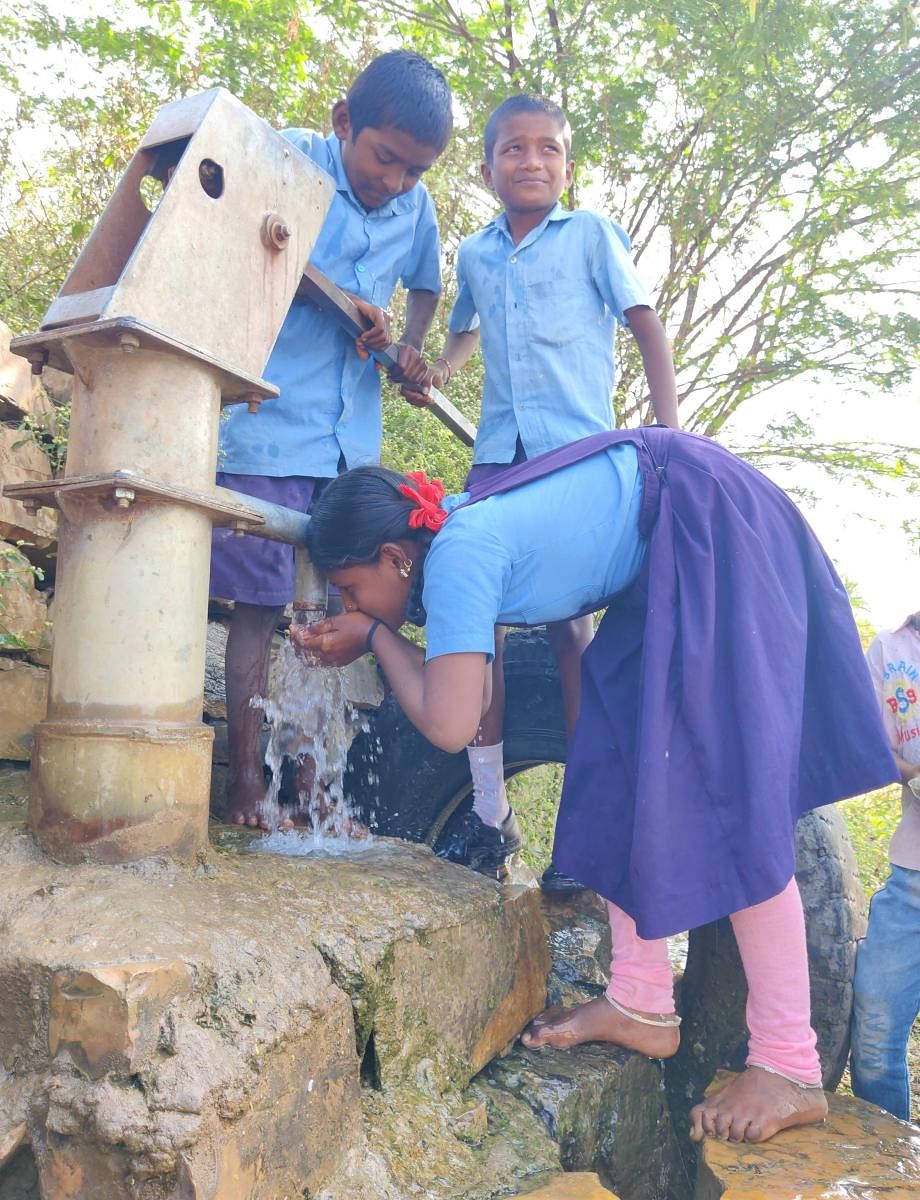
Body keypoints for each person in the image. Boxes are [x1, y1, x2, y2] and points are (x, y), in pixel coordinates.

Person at [292, 425, 898, 1143]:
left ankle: (788, 1062)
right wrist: (382, 633)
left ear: (395, 557)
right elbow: (477, 697)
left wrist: (374, 639)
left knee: (728, 788)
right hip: (666, 546)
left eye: (350, 589)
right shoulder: (447, 548)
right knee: (610, 756)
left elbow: (450, 722)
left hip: (707, 522)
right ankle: (641, 998)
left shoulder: (457, 555)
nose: (348, 605)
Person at [402, 94, 678, 885]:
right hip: (499, 459)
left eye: (547, 149)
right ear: (487, 169)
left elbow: (645, 323)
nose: (531, 161)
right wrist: (440, 373)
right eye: (514, 150)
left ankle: (585, 830)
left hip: (578, 456)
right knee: (471, 614)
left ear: (566, 164)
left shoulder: (590, 235)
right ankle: (490, 817)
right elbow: (465, 328)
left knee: (568, 631)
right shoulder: (478, 253)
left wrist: (669, 437)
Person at [210, 51, 452, 826]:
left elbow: (426, 283)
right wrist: (345, 299)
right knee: (258, 607)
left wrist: (410, 346)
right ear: (345, 122)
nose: (396, 181)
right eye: (385, 158)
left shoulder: (416, 211)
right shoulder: (288, 158)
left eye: (415, 171)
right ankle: (245, 783)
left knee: (330, 617)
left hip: (351, 448)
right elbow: (237, 224)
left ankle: (312, 794)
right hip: (269, 425)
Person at [850, 609, 920, 1122]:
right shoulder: (892, 651)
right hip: (914, 879)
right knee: (875, 1022)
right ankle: (892, 1171)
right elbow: (870, 748)